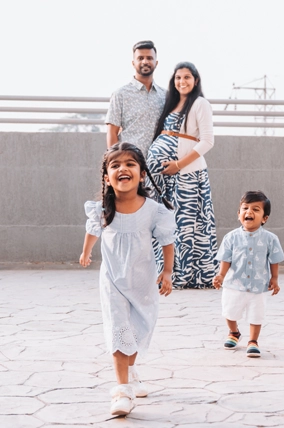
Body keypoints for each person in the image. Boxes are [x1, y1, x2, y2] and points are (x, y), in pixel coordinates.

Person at [79, 142, 176, 416]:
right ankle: (122, 391)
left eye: (130, 164)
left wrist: (167, 272)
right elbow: (93, 230)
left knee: (137, 330)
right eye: (115, 165)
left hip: (143, 282)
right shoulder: (102, 209)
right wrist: (86, 252)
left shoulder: (154, 210)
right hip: (113, 280)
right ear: (107, 177)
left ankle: (131, 371)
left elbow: (167, 241)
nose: (123, 168)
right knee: (119, 331)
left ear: (142, 174)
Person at [146, 61, 218, 289]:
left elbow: (208, 141)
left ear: (195, 80)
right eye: (178, 78)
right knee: (163, 222)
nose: (182, 82)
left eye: (187, 77)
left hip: (186, 174)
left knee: (186, 225)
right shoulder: (172, 103)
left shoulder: (200, 104)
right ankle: (162, 273)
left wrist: (178, 164)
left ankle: (184, 275)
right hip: (164, 178)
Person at [213, 191, 284, 358]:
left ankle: (253, 341)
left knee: (256, 315)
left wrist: (274, 279)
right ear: (239, 214)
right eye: (245, 208)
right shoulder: (231, 238)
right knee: (229, 312)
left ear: (264, 218)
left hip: (258, 286)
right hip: (234, 284)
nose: (249, 212)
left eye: (256, 209)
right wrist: (221, 276)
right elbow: (226, 259)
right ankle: (234, 332)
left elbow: (274, 260)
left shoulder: (271, 239)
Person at [105, 40, 166, 158]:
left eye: (149, 58)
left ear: (156, 62)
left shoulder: (165, 96)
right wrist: (116, 161)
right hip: (131, 162)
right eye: (140, 58)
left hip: (159, 164)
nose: (145, 61)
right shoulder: (120, 95)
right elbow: (112, 132)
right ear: (133, 63)